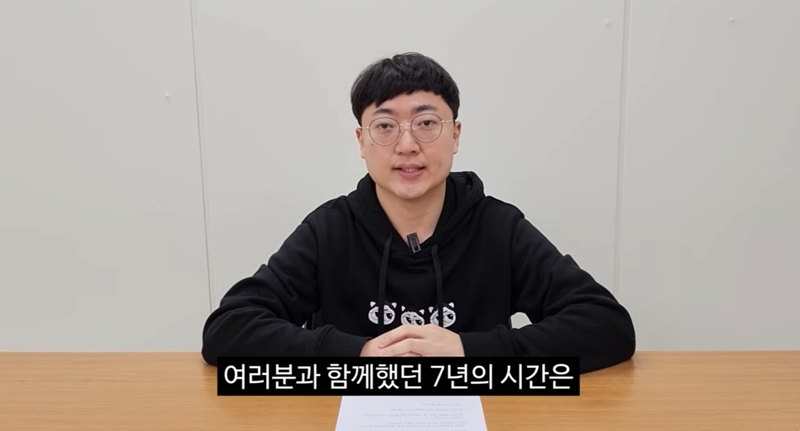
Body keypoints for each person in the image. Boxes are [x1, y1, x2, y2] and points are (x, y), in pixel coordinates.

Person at [202, 52, 635, 372]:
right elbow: (228, 329)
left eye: (426, 123)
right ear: (361, 141)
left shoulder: (497, 227)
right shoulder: (330, 230)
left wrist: (469, 351)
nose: (407, 145)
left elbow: (607, 325)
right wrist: (357, 354)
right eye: (385, 126)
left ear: (455, 135)